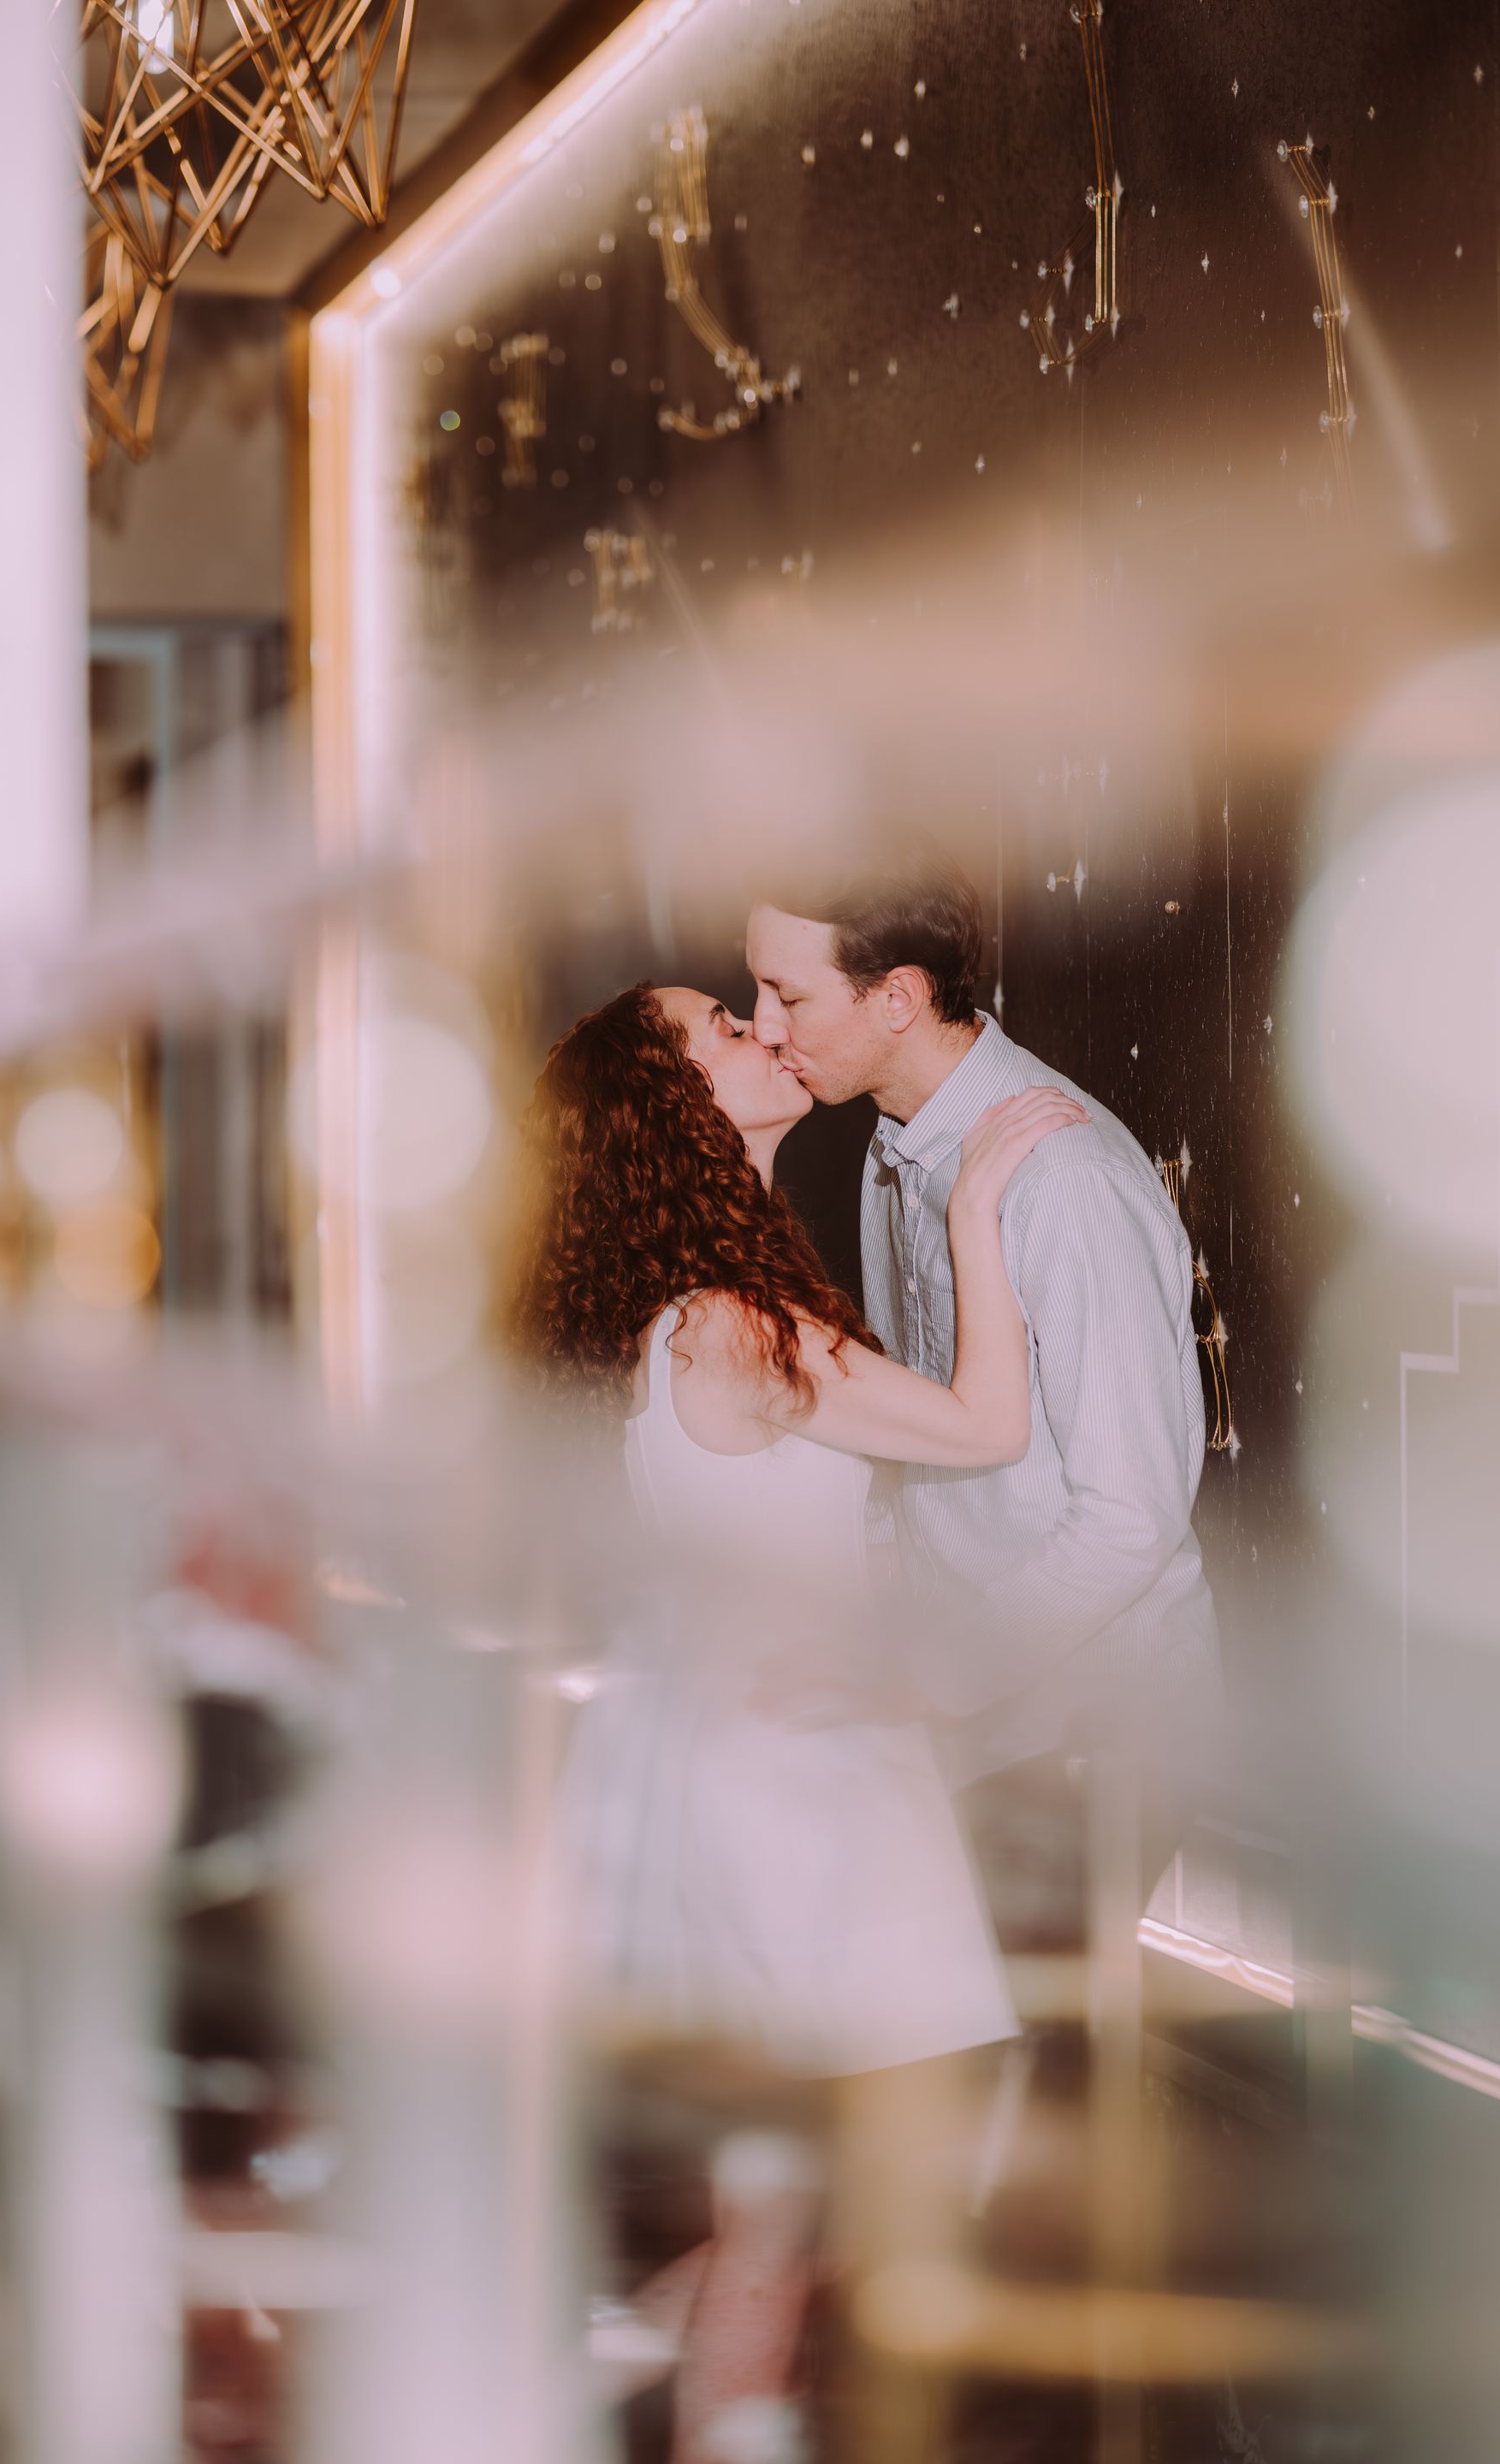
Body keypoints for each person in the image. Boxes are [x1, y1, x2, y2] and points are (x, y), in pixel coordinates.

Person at [509, 980, 1084, 2464]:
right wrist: (979, 1209)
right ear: (680, 1107)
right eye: (721, 1026)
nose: (761, 1030)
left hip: (757, 1779)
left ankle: (554, 2401)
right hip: (793, 1800)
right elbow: (986, 1428)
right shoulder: (731, 1322)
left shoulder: (686, 1313)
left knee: (797, 2209)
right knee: (799, 2213)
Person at [744, 862, 1221, 1904]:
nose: (764, 1027)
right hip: (974, 1730)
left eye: (787, 995)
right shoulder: (892, 1146)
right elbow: (923, 1441)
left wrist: (929, 1677)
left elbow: (1130, 1520)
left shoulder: (1065, 1178)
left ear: (898, 998)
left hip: (1095, 1735)